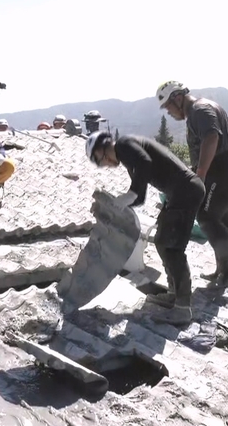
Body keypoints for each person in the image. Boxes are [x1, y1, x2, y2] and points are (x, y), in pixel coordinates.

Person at [86, 131, 206, 325]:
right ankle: (174, 293)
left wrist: (131, 194)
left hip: (186, 191)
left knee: (173, 248)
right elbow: (140, 197)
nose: (105, 165)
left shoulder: (124, 144)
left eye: (99, 160)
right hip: (179, 194)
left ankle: (183, 308)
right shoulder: (128, 157)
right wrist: (117, 205)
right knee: (161, 242)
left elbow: (145, 163)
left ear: (101, 150)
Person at [157, 81, 228, 290]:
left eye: (168, 106)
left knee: (207, 216)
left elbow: (211, 137)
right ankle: (224, 268)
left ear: (178, 98)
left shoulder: (199, 110)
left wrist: (200, 175)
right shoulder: (198, 111)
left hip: (227, 166)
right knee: (220, 219)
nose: (168, 113)